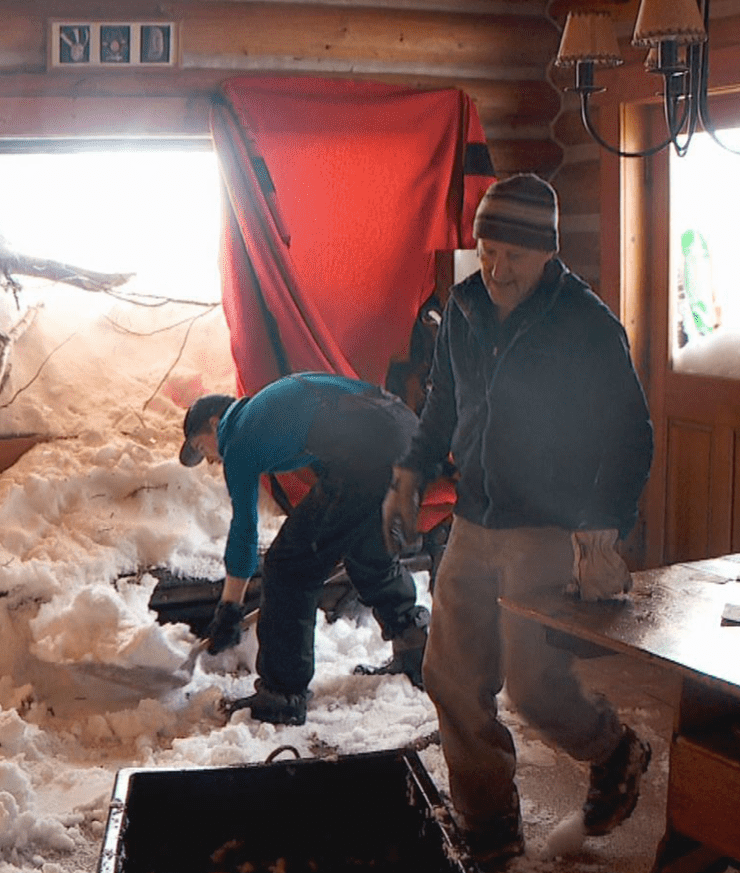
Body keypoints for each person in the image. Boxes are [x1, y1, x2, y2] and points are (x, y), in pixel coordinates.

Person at [382, 174, 655, 869]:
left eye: (515, 257)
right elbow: (444, 402)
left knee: (533, 684)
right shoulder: (466, 307)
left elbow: (631, 432)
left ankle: (612, 748)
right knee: (450, 678)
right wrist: (410, 472)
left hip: (546, 527)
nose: (497, 269)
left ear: (549, 253)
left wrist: (604, 526)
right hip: (473, 523)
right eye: (487, 249)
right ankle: (490, 828)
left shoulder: (587, 325)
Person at [178, 372, 430, 725]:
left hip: (368, 449)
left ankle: (280, 695)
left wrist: (230, 607)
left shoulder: (239, 435)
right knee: (367, 548)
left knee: (287, 566)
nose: (209, 460)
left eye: (202, 448)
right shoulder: (272, 412)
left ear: (215, 422)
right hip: (405, 435)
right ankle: (415, 647)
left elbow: (244, 531)